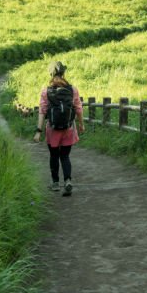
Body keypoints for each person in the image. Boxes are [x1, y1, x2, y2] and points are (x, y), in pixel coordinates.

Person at [33, 60, 84, 196]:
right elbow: (78, 108)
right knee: (65, 156)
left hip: (53, 129)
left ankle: (55, 183)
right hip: (69, 129)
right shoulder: (72, 90)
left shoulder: (46, 91)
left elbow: (42, 111)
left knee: (54, 156)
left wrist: (38, 131)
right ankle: (67, 180)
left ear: (50, 74)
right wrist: (81, 124)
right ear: (64, 73)